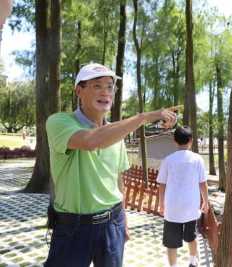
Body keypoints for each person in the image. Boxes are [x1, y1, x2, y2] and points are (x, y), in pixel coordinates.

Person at [44, 63, 177, 267]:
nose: (105, 92)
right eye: (97, 86)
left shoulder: (117, 134)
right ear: (79, 90)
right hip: (73, 226)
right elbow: (90, 141)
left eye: (110, 86)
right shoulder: (59, 121)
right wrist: (143, 117)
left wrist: (123, 221)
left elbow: (118, 180)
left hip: (112, 222)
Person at [157, 126, 209, 267]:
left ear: (174, 141)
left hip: (172, 208)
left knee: (171, 243)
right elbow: (203, 183)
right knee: (191, 237)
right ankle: (193, 262)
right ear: (191, 140)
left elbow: (162, 185)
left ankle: (173, 265)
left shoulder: (168, 160)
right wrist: (206, 201)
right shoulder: (198, 159)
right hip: (191, 207)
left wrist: (161, 204)